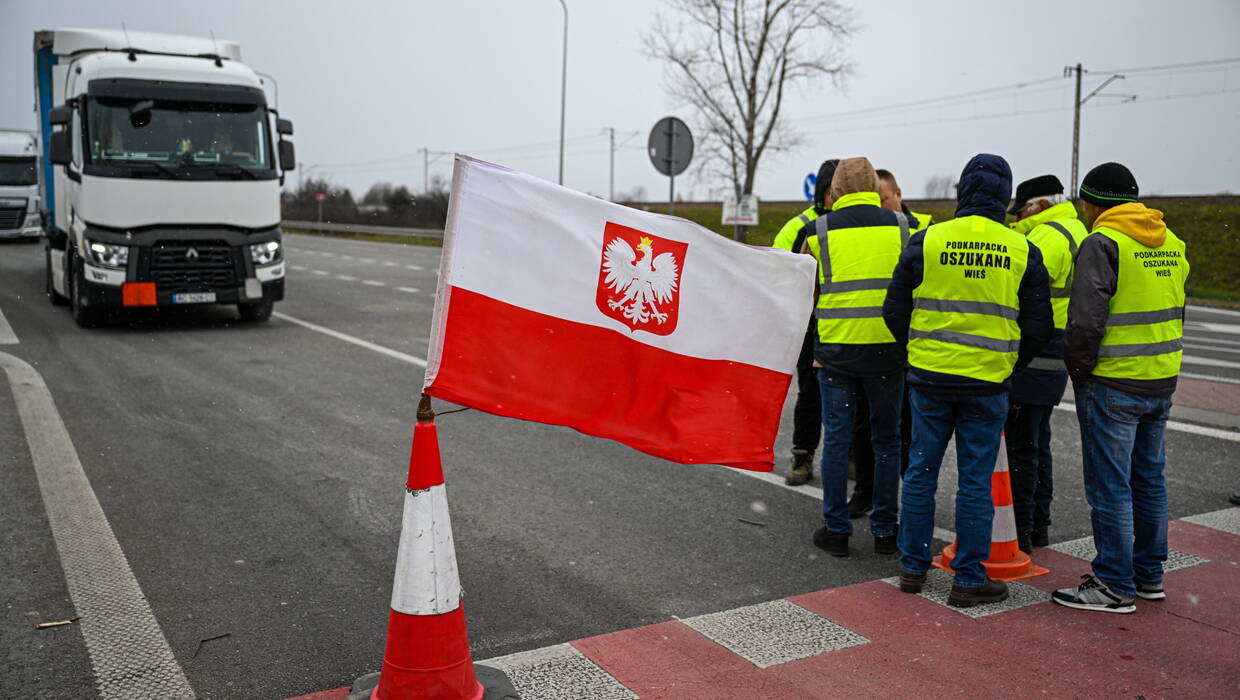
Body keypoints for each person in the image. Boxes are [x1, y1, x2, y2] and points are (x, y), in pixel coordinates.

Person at [884, 154, 1052, 607]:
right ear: (1005, 197)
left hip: (930, 379)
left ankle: (913, 569)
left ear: (961, 192)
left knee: (920, 473)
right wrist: (1008, 365)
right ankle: (968, 579)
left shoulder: (928, 240)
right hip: (986, 384)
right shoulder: (1021, 248)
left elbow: (894, 309)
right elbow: (1040, 326)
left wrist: (915, 354)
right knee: (976, 483)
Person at [1053, 162, 1189, 614]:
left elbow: (1086, 320)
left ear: (1094, 203)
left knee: (1110, 485)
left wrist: (1079, 370)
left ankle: (1113, 584)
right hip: (1159, 377)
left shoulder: (1102, 242)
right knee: (1148, 479)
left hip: (1113, 381)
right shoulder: (1171, 242)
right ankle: (1149, 575)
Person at [802, 157, 909, 557]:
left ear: (836, 191)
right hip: (887, 353)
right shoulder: (902, 227)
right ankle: (885, 531)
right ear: (873, 189)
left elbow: (807, 296)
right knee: (886, 441)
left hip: (837, 355)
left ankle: (837, 530)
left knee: (837, 441)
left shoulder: (818, 232)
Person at [1004, 175, 1089, 553]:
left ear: (1038, 205)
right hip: (1057, 348)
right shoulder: (1076, 229)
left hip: (1036, 348)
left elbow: (1013, 286)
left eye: (1020, 210)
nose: (1016, 218)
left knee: (1022, 444)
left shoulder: (1048, 237)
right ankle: (1038, 523)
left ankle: (1020, 530)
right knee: (1037, 440)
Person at [848, 169, 926, 519]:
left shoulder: (917, 231)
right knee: (866, 427)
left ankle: (908, 499)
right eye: (875, 199)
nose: (880, 205)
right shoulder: (873, 229)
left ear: (898, 193)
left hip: (909, 347)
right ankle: (866, 492)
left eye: (884, 198)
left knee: (905, 430)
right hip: (873, 343)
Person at [773, 158, 840, 485]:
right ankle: (802, 458)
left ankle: (852, 458)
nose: (835, 198)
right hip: (810, 326)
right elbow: (775, 270)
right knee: (810, 395)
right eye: (831, 192)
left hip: (845, 324)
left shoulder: (856, 224)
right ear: (821, 193)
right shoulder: (799, 226)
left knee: (851, 398)